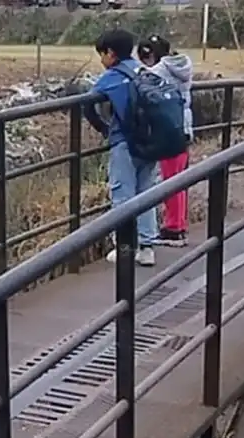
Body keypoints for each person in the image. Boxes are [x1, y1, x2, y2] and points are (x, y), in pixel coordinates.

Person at [83, 28, 159, 267]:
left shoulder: (111, 77)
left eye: (102, 54)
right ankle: (147, 247)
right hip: (151, 140)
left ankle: (125, 247)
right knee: (146, 192)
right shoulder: (144, 71)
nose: (102, 60)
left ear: (111, 53)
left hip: (124, 141)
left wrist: (104, 129)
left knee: (122, 194)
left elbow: (88, 105)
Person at [138, 35, 194, 247]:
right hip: (185, 125)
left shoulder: (158, 72)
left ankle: (173, 227)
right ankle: (179, 223)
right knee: (180, 179)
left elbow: (142, 84)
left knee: (170, 181)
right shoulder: (181, 65)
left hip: (170, 129)